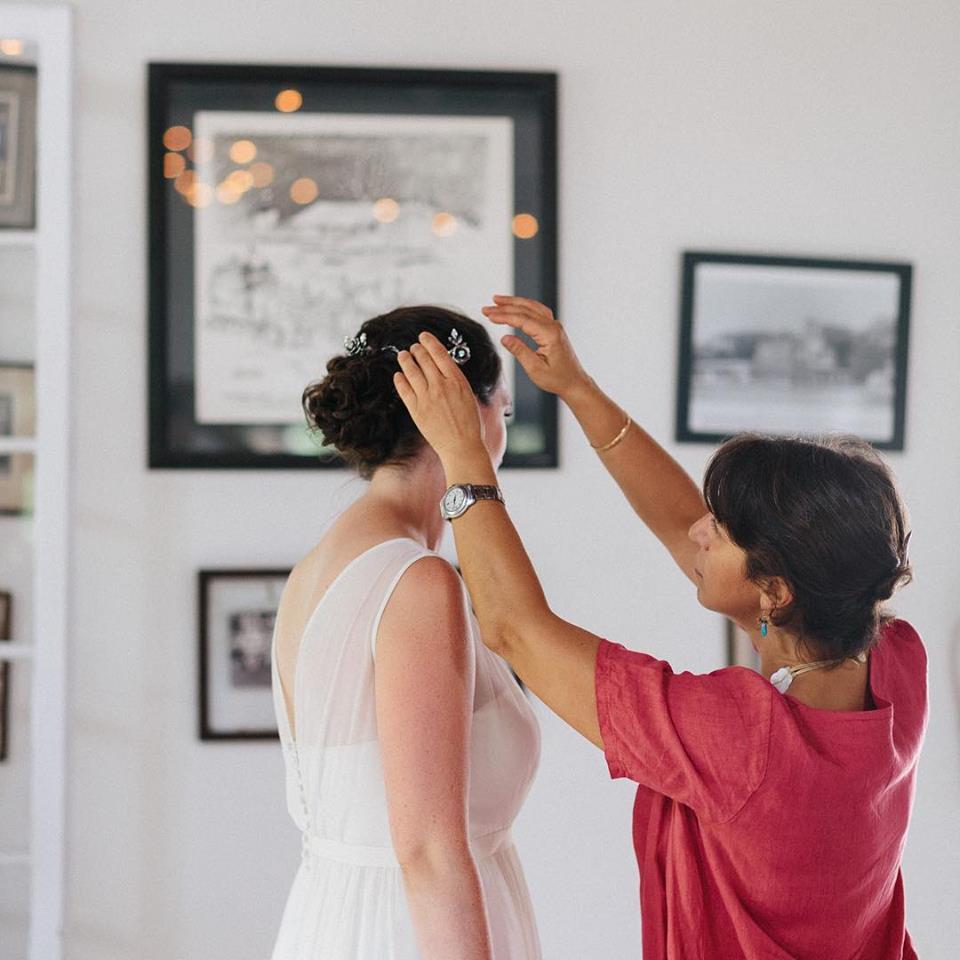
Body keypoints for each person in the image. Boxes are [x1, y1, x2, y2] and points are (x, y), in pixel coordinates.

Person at [392, 296, 925, 960]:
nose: (699, 529)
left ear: (775, 592)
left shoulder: (738, 739)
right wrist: (577, 389)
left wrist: (461, 454)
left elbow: (514, 629)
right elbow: (684, 528)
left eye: (721, 531)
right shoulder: (895, 665)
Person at [270, 306, 542, 960]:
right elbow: (427, 851)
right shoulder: (416, 581)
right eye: (501, 413)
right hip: (404, 934)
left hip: (336, 916)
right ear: (464, 414)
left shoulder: (322, 563)